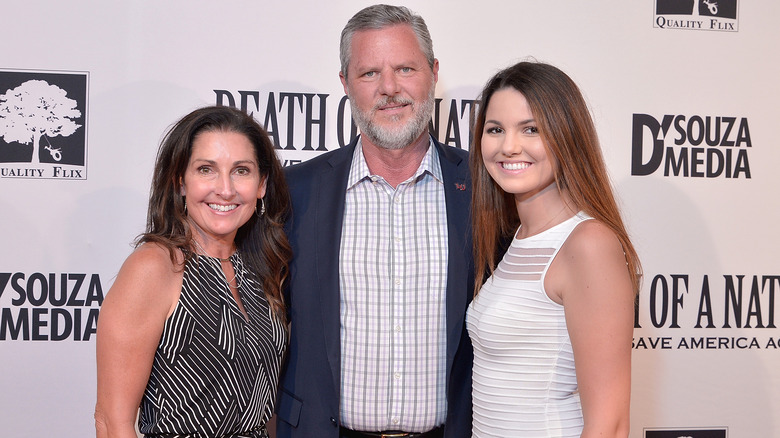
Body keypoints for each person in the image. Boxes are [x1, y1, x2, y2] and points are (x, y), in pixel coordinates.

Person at [275, 5, 473, 438]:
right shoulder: (293, 192)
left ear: (434, 72)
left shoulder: (483, 188)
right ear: (345, 83)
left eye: (405, 68)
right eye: (368, 74)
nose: (389, 88)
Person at [467, 62, 641, 437]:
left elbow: (610, 426)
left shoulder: (588, 244)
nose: (508, 146)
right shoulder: (517, 239)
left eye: (531, 129)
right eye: (495, 129)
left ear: (567, 136)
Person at [94, 105, 290, 438]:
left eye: (241, 171)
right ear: (180, 182)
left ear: (261, 185)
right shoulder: (155, 267)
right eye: (206, 169)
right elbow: (113, 421)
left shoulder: (262, 267)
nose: (225, 189)